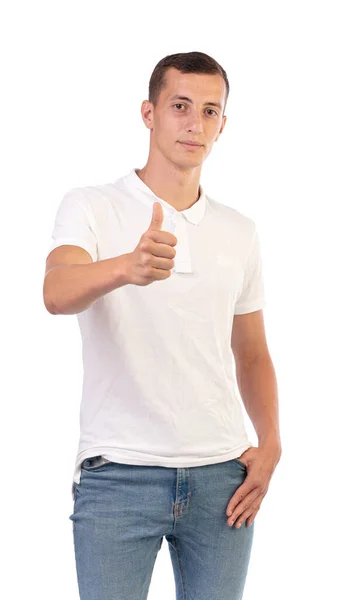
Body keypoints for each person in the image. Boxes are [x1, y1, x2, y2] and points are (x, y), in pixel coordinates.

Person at [43, 51, 281, 600]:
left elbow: (252, 351)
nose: (194, 123)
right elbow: (56, 293)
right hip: (118, 475)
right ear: (149, 113)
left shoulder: (239, 230)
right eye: (179, 106)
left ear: (223, 125)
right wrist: (126, 267)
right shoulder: (92, 206)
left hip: (223, 477)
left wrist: (269, 444)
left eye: (209, 110)